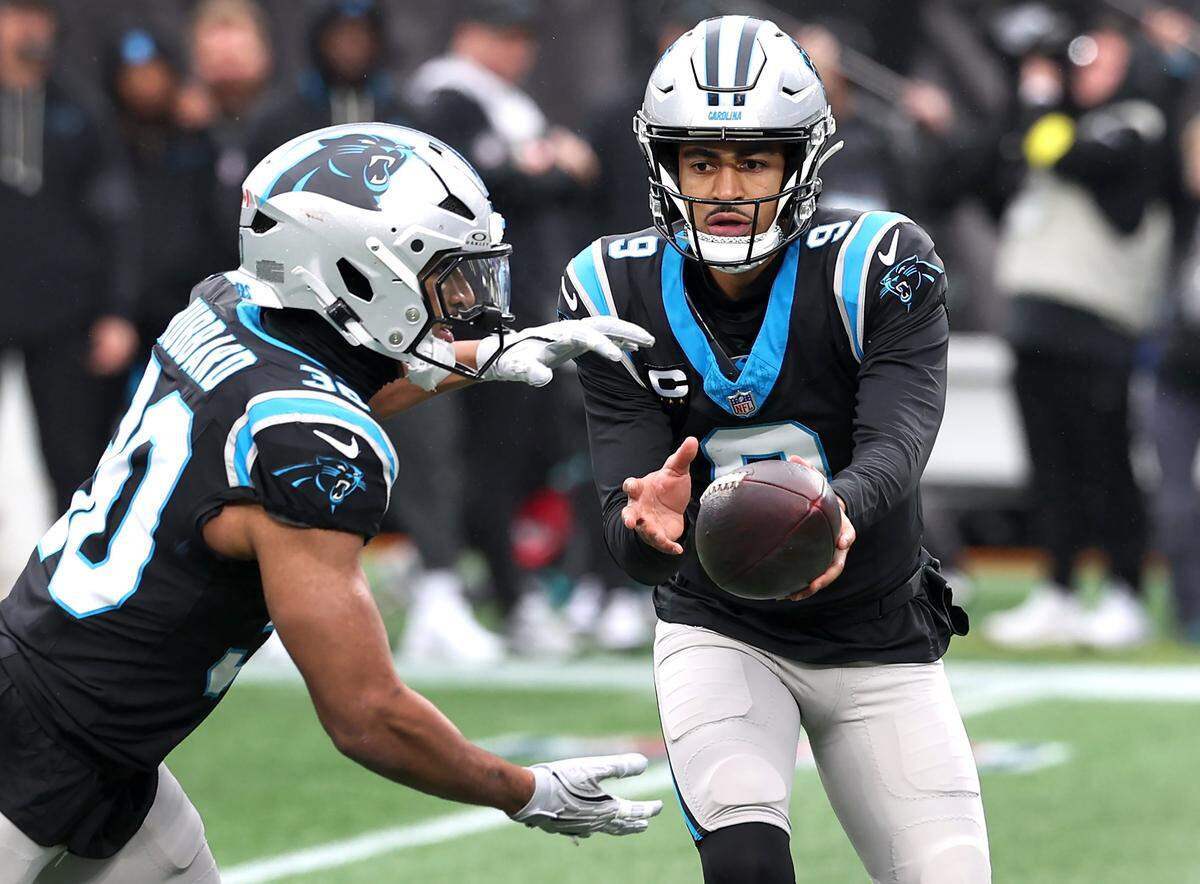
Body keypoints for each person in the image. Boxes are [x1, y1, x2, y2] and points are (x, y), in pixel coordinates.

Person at [0, 123, 660, 881]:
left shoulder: (231, 303)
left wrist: (487, 356)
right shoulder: (313, 447)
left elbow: (327, 375)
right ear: (359, 272)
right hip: (34, 750)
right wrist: (522, 790)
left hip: (94, 733)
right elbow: (367, 715)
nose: (470, 301)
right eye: (447, 276)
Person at [561, 17, 989, 884]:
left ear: (802, 164)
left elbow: (899, 443)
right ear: (665, 164)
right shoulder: (610, 287)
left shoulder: (877, 261)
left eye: (754, 160)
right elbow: (626, 525)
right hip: (725, 628)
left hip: (878, 632)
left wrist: (836, 508)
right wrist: (645, 531)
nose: (726, 187)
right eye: (702, 161)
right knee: (747, 862)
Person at [407, 0, 601, 657]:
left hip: (523, 303)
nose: (518, 50)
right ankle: (501, 593)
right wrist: (545, 170)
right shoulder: (445, 100)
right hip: (471, 308)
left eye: (524, 36)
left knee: (530, 453)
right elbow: (476, 189)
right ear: (468, 32)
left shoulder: (506, 104)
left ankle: (485, 580)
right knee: (486, 455)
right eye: (504, 34)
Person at [983, 21, 1171, 650]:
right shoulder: (1055, 124)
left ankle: (1123, 590)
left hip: (1100, 326)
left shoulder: (1138, 120)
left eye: (1104, 56)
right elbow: (1000, 172)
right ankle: (1059, 589)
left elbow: (1078, 158)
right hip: (1034, 322)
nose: (1088, 69)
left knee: (1106, 465)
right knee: (1050, 469)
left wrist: (1038, 104)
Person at [0, 0, 140, 512]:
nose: (28, 27)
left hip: (64, 319)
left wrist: (118, 311)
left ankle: (69, 585)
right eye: (15, 13)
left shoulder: (81, 110)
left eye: (39, 14)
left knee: (75, 465)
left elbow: (117, 217)